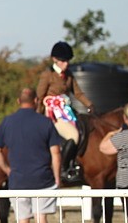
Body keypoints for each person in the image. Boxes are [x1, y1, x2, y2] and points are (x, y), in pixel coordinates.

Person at [0, 87, 64, 223]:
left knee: (22, 219)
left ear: (18, 101)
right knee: (41, 219)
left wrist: (7, 169)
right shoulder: (45, 122)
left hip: (18, 180)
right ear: (37, 101)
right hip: (42, 179)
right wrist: (57, 177)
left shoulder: (8, 122)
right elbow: (55, 152)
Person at [36, 41, 93, 185]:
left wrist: (90, 105)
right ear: (55, 59)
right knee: (73, 135)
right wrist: (37, 117)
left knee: (83, 128)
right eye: (63, 61)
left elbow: (78, 93)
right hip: (52, 115)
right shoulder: (47, 75)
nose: (66, 64)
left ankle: (75, 164)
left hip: (68, 112)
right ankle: (63, 168)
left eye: (67, 61)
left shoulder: (69, 75)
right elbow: (40, 96)